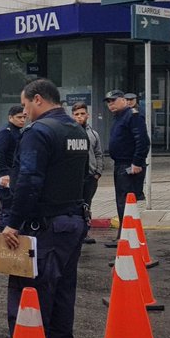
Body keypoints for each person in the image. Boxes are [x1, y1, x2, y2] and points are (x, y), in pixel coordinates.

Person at [0, 78, 89, 338]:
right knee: (63, 296)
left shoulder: (39, 133)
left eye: (25, 106)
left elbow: (29, 181)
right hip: (72, 222)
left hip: (44, 228)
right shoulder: (77, 131)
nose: (26, 112)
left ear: (38, 100)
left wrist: (13, 222)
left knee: (29, 296)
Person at [103, 89, 149, 245]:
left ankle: (126, 237)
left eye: (113, 101)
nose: (111, 105)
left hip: (128, 165)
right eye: (108, 102)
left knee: (126, 202)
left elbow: (142, 141)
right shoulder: (120, 117)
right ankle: (123, 235)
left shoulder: (132, 116)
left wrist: (136, 162)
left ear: (123, 100)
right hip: (120, 164)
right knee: (121, 201)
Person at [72, 101, 104, 244]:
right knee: (74, 205)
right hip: (74, 177)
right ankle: (74, 232)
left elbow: (98, 153)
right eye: (77, 114)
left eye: (82, 114)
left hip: (90, 175)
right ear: (72, 116)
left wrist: (98, 172)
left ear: (88, 115)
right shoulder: (69, 132)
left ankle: (85, 233)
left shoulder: (93, 133)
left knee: (87, 205)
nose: (80, 117)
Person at [0, 105, 26, 230]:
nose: (22, 120)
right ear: (10, 117)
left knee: (8, 206)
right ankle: (4, 236)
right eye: (19, 117)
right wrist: (4, 173)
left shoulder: (17, 131)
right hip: (4, 174)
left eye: (24, 117)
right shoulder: (6, 132)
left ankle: (3, 235)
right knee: (8, 206)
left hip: (12, 173)